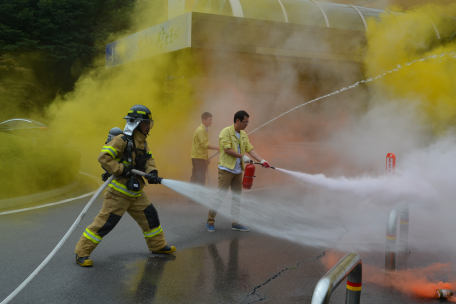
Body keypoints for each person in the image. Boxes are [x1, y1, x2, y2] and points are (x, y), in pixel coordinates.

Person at [74, 105, 176, 267]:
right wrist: (121, 169)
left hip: (136, 193)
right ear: (135, 123)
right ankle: (82, 252)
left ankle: (158, 246)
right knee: (105, 224)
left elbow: (148, 159)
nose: (148, 126)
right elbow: (104, 157)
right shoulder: (121, 140)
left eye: (149, 123)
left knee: (150, 217)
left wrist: (153, 172)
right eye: (145, 123)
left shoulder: (142, 142)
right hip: (118, 194)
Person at [206, 110, 271, 232]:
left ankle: (235, 222)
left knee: (236, 197)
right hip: (226, 170)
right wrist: (242, 157)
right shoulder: (225, 132)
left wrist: (262, 160)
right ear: (237, 120)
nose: (246, 124)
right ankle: (210, 221)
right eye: (245, 122)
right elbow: (227, 149)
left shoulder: (243, 135)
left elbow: (250, 149)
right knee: (221, 196)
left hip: (237, 171)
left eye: (247, 122)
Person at [190, 112, 218, 186]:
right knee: (201, 178)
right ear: (203, 120)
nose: (211, 121)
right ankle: (199, 196)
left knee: (195, 177)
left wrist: (206, 158)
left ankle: (191, 196)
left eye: (211, 120)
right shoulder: (201, 130)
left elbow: (203, 146)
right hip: (199, 158)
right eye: (209, 120)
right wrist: (217, 148)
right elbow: (204, 144)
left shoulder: (205, 130)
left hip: (198, 157)